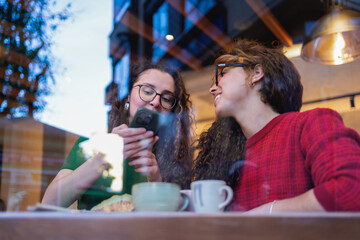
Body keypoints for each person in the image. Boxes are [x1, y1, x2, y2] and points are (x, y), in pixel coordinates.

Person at [193, 39, 360, 213]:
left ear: (256, 73)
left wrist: (266, 212)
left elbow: (351, 189)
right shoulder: (226, 157)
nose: (213, 89)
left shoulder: (309, 124)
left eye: (223, 73)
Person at [42, 61, 194, 210]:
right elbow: (49, 203)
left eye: (166, 99)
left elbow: (174, 224)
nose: (155, 102)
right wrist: (104, 156)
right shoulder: (90, 147)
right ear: (128, 96)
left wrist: (156, 179)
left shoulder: (174, 159)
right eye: (147, 91)